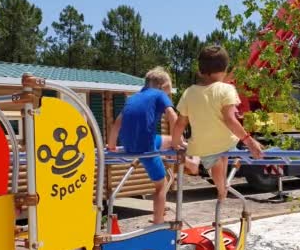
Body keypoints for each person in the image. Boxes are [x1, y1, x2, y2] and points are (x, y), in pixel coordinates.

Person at [172, 45, 263, 201]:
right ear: (225, 69)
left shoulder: (189, 92)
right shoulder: (227, 89)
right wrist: (249, 141)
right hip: (227, 142)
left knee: (214, 161)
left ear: (200, 71)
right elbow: (230, 119)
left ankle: (221, 189)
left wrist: (176, 143)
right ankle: (223, 186)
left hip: (203, 146)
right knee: (224, 149)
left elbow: (180, 123)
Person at [108, 66, 198, 224]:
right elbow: (172, 116)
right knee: (161, 185)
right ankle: (158, 222)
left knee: (169, 140)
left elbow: (117, 123)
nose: (168, 96)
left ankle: (188, 162)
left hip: (129, 145)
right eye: (168, 93)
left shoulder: (133, 98)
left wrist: (111, 146)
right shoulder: (158, 94)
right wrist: (178, 141)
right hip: (146, 148)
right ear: (162, 87)